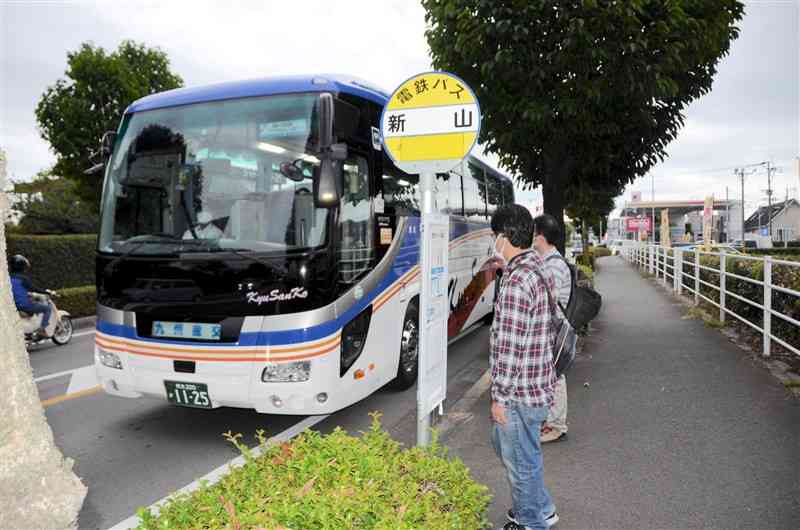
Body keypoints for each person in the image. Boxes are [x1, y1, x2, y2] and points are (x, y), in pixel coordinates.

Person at [489, 204, 560, 530]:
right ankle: (540, 506)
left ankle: (533, 522)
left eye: (495, 236)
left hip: (519, 392)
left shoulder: (517, 281)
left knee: (521, 463)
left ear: (504, 237)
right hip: (539, 382)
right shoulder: (539, 267)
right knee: (519, 453)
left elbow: (509, 347)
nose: (494, 242)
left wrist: (499, 398)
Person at [533, 214, 572, 444]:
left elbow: (551, 301)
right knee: (552, 375)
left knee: (555, 375)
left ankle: (557, 425)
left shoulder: (554, 265)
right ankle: (551, 422)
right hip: (552, 327)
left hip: (554, 329)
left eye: (533, 233)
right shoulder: (548, 261)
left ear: (540, 236)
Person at [9, 254, 51, 336]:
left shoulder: (8, 278)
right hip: (23, 306)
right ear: (22, 267)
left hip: (13, 306)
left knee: (32, 301)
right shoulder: (23, 279)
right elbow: (34, 288)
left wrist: (27, 294)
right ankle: (42, 329)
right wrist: (47, 292)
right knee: (47, 309)